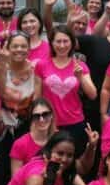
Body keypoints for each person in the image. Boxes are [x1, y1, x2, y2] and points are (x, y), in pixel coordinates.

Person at [35, 28, 97, 157]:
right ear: (51, 43)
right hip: (48, 122)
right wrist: (36, 120)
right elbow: (37, 97)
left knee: (72, 161)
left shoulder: (80, 66)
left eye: (65, 41)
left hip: (74, 122)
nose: (62, 45)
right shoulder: (41, 65)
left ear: (72, 43)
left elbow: (93, 94)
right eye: (58, 41)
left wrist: (80, 77)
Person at [0, 32, 41, 185]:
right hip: (2, 128)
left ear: (29, 48)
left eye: (23, 46)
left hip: (27, 128)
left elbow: (37, 101)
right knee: (0, 172)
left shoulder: (36, 68)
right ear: (8, 48)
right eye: (15, 46)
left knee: (26, 172)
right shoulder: (1, 65)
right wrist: (2, 64)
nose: (19, 49)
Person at [75, 5, 110, 134]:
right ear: (109, 22)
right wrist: (72, 20)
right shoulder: (94, 42)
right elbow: (63, 40)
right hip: (91, 105)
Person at [10, 98, 57, 173]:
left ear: (51, 115)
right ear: (31, 119)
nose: (41, 119)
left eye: (45, 114)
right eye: (36, 116)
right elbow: (16, 180)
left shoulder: (59, 139)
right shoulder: (20, 144)